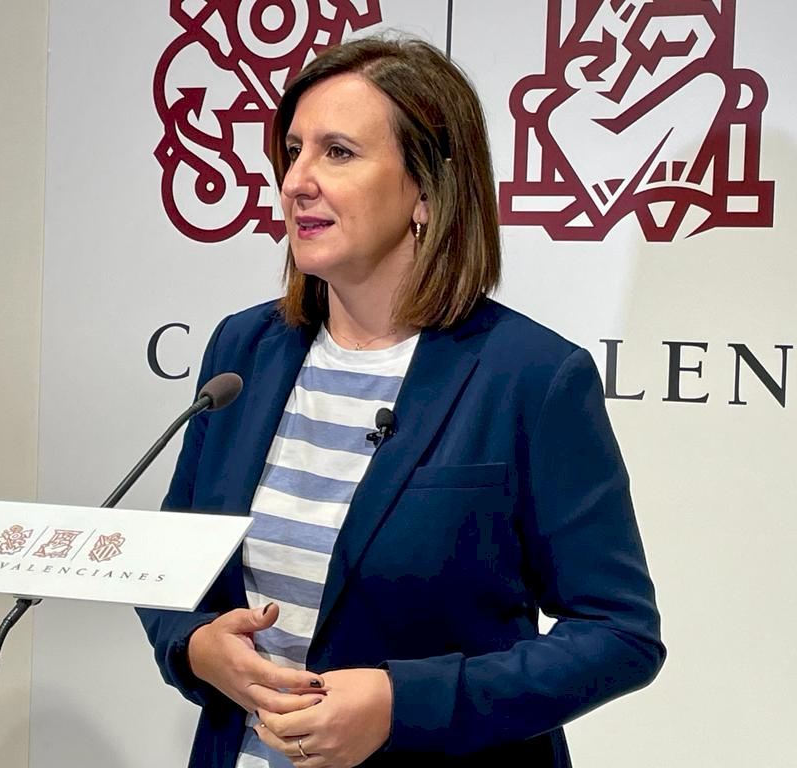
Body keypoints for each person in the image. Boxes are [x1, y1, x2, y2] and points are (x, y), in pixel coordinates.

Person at [137, 35, 664, 768]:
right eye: (292, 151)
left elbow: (619, 634)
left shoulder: (531, 378)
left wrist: (401, 704)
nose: (296, 181)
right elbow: (168, 563)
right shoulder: (243, 350)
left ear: (425, 189)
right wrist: (194, 645)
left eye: (338, 153)